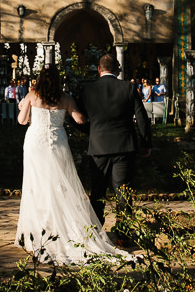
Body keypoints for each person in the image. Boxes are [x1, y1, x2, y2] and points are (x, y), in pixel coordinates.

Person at [14, 65, 131, 264]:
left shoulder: (32, 95)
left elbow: (21, 120)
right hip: (57, 141)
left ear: (40, 79)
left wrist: (23, 107)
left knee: (37, 186)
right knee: (59, 184)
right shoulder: (65, 97)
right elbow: (80, 119)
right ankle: (64, 227)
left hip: (35, 143)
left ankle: (39, 229)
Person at [77, 54, 152, 243]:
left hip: (98, 147)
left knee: (98, 192)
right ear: (117, 69)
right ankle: (124, 234)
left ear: (99, 69)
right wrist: (145, 142)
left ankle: (94, 232)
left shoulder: (88, 90)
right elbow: (141, 117)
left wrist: (91, 131)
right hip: (123, 146)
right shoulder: (128, 87)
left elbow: (76, 118)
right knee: (123, 191)